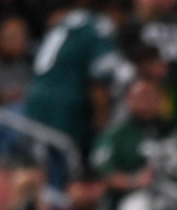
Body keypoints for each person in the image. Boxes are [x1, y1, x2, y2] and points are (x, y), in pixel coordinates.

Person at [23, 0, 124, 162]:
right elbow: (99, 82)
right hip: (65, 105)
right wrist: (103, 128)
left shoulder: (68, 19)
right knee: (62, 170)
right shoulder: (100, 26)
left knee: (37, 164)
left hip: (35, 96)